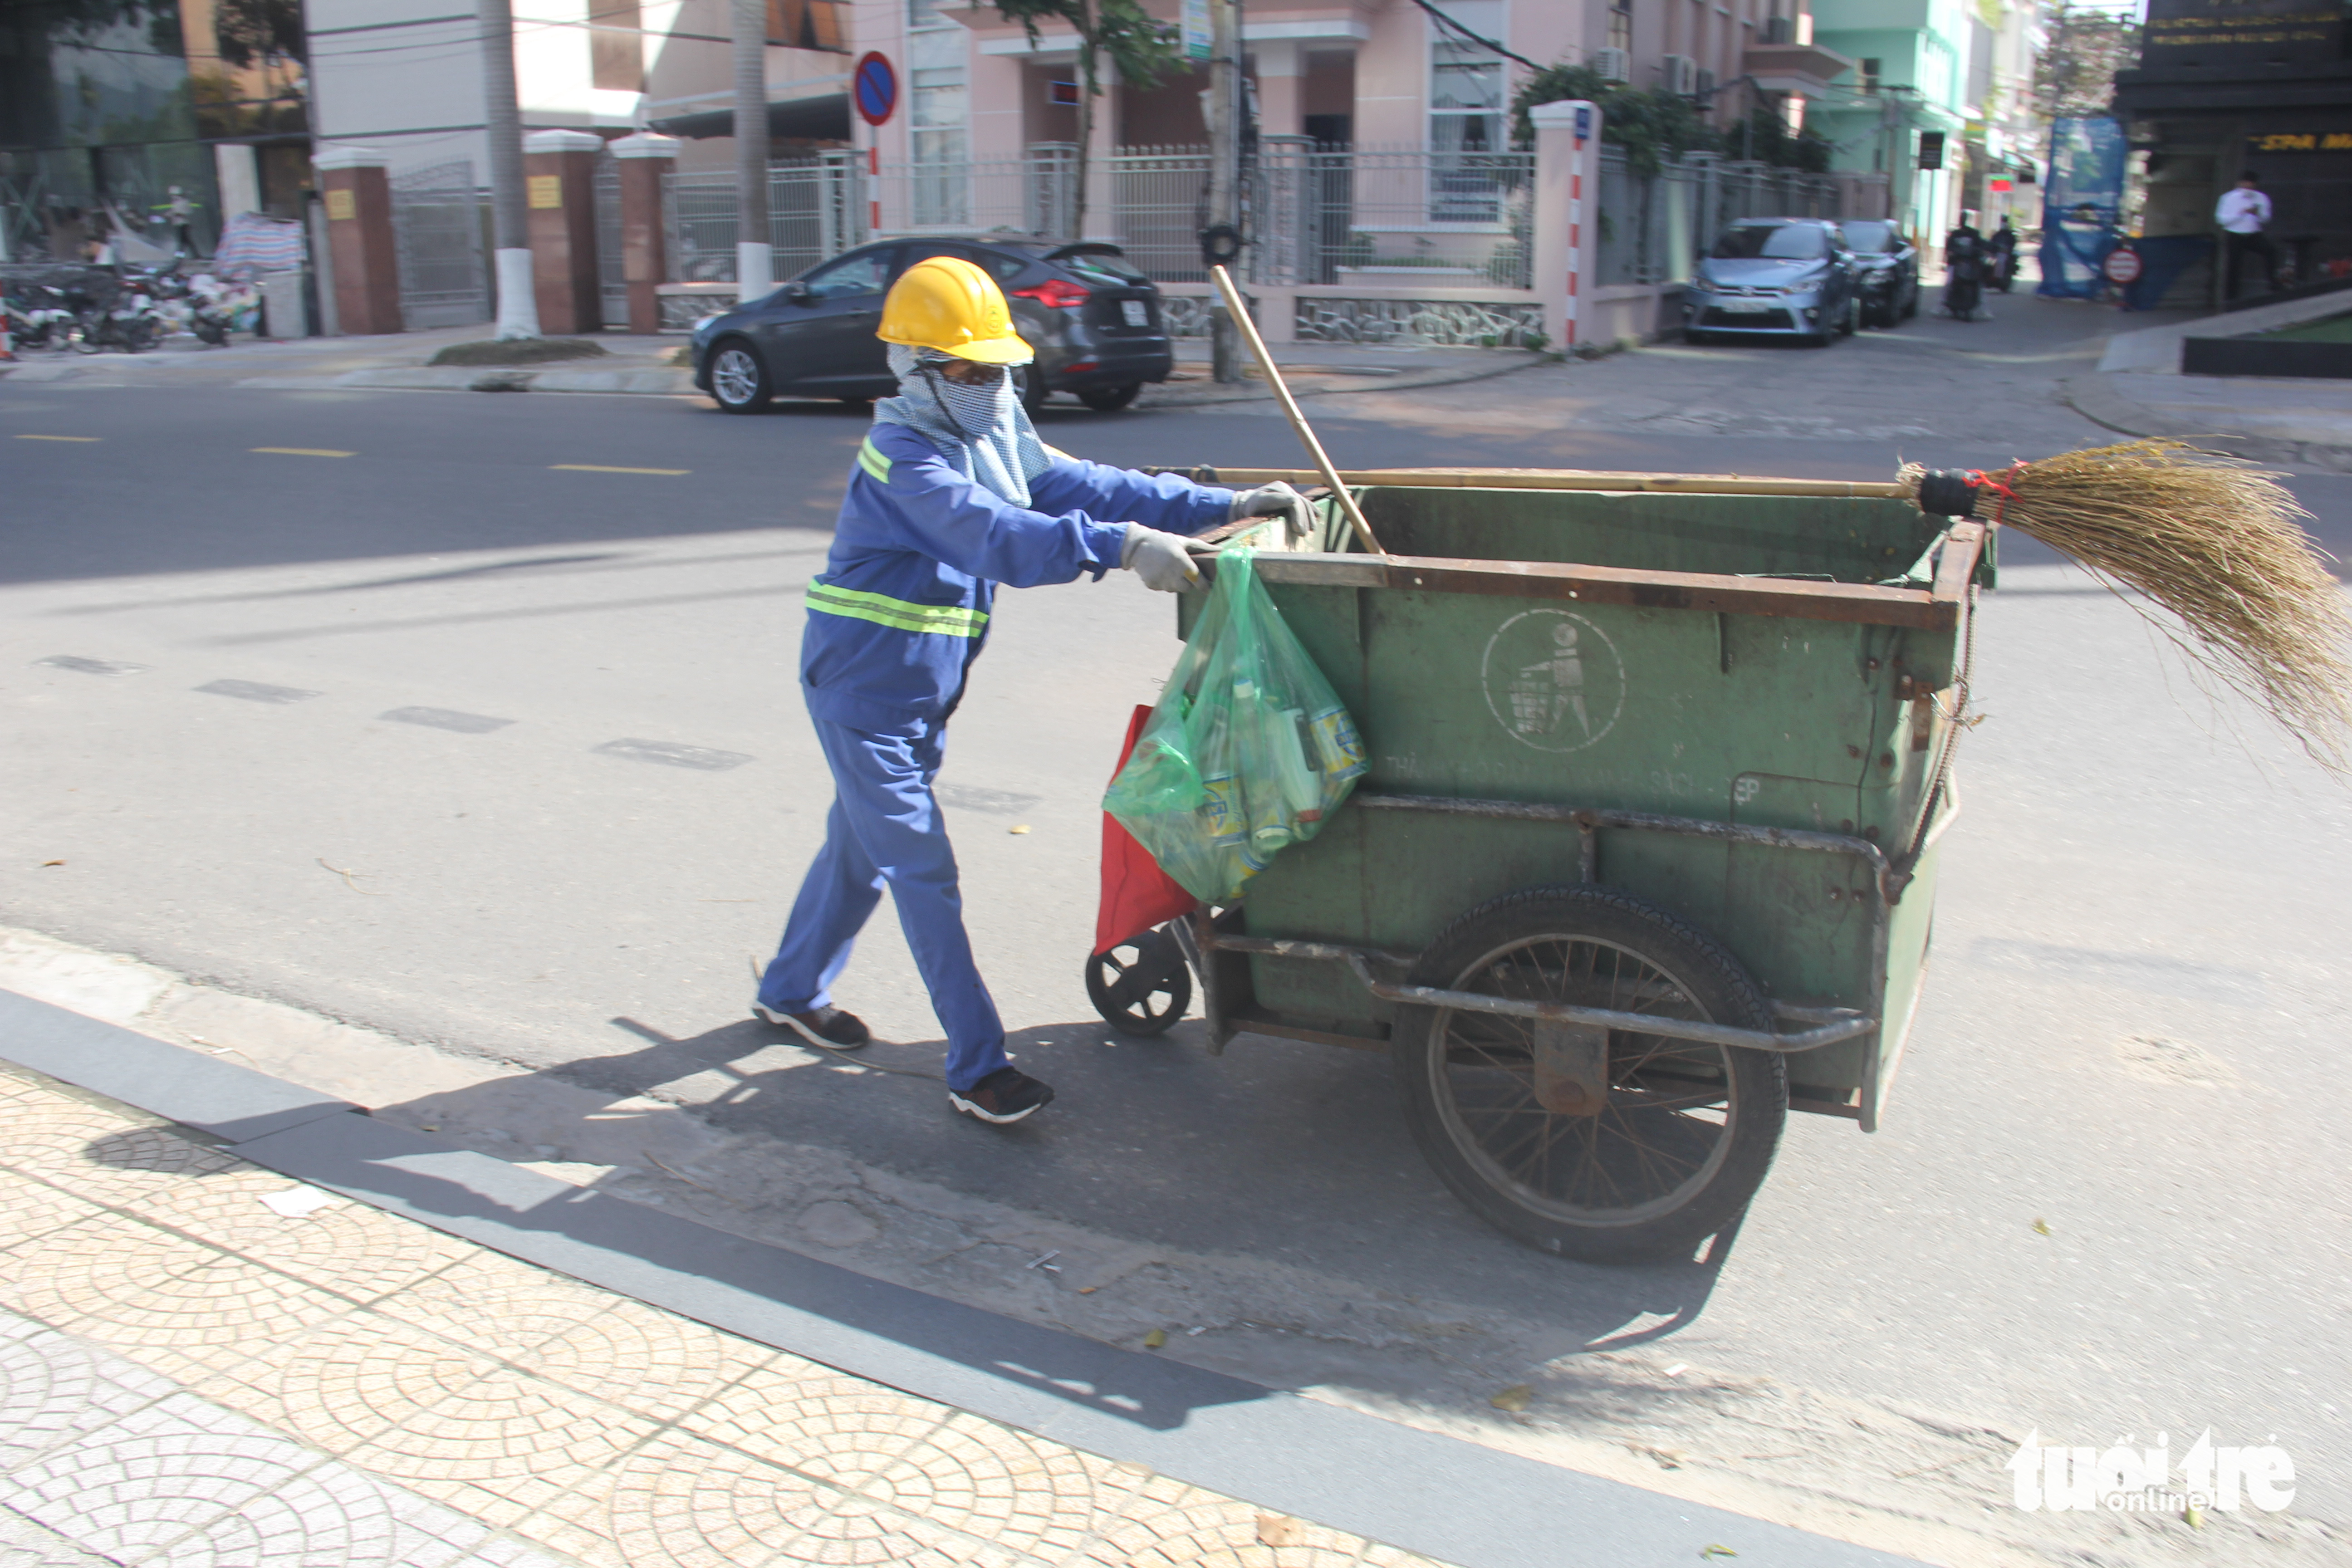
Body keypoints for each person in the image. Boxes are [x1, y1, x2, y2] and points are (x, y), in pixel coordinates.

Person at [752, 255, 1310, 1126]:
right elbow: (995, 533)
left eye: (997, 369)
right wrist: (1120, 546)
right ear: (914, 370)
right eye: (967, 372)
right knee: (920, 868)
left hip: (917, 694)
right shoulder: (903, 460)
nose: (989, 387)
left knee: (858, 852)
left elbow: (1080, 485)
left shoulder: (986, 432)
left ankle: (789, 989)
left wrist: (1223, 502)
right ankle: (977, 1066)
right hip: (862, 697)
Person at [2216, 171, 2278, 300]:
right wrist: (2241, 214)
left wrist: (2257, 213)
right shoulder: (2228, 198)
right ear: (2239, 184)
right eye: (2245, 185)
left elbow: (2266, 219)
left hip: (2253, 234)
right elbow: (2221, 220)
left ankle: (2275, 284)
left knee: (2272, 252)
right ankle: (2230, 297)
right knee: (2234, 265)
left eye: (2251, 185)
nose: (2248, 188)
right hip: (2235, 235)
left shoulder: (2262, 198)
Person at [1944, 217, 1984, 320]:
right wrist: (1951, 254)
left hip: (1971, 264)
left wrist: (1980, 253)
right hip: (1957, 264)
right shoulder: (1955, 234)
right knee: (1949, 283)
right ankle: (1946, 301)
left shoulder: (1974, 234)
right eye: (1962, 219)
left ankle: (1981, 307)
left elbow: (1981, 247)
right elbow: (1949, 248)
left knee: (1979, 284)